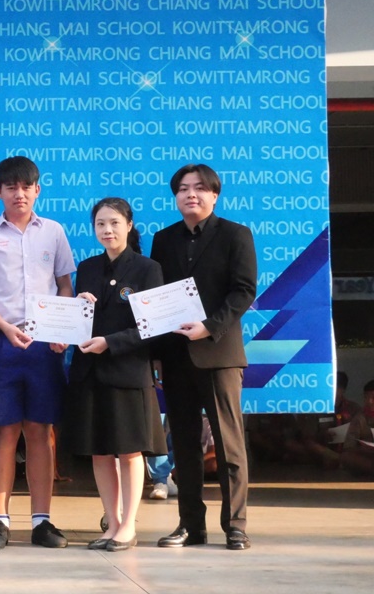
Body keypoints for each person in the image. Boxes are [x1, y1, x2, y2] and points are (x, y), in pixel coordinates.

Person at [0, 156, 75, 550]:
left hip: (44, 344)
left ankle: (42, 520)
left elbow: (65, 285)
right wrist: (6, 327)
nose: (19, 194)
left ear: (37, 190)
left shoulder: (54, 231)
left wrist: (59, 328)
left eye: (26, 187)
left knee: (40, 431)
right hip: (1, 341)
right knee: (4, 430)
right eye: (11, 187)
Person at [150, 164, 257, 551]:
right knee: (184, 444)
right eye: (182, 188)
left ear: (215, 194)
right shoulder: (164, 240)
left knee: (229, 444)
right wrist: (157, 354)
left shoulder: (235, 234)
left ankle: (235, 525)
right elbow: (158, 299)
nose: (190, 194)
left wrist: (210, 327)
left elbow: (243, 290)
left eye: (199, 188)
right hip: (176, 356)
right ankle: (191, 525)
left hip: (219, 354)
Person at [63, 197, 166, 552]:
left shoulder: (148, 269)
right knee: (100, 451)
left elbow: (153, 327)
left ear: (129, 225)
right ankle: (111, 521)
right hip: (90, 371)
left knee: (129, 450)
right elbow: (80, 322)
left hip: (127, 371)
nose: (107, 230)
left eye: (114, 223)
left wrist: (111, 342)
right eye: (100, 224)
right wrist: (79, 310)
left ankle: (128, 525)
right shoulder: (88, 267)